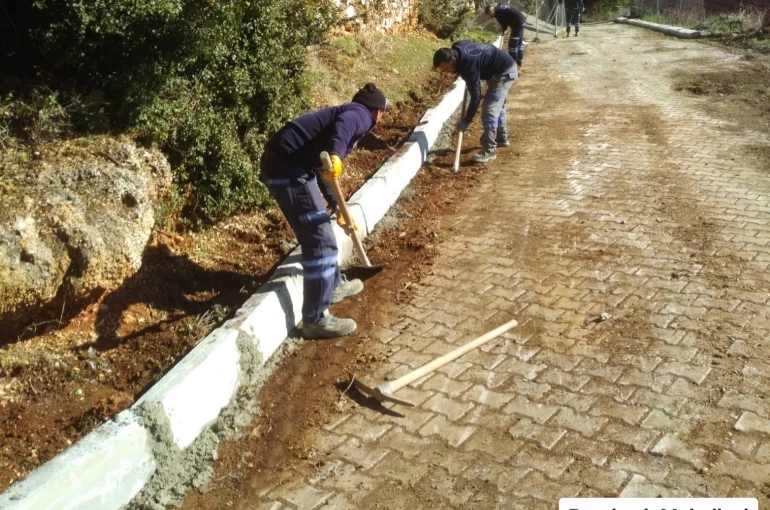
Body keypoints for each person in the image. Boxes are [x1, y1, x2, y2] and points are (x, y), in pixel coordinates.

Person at [259, 83, 388, 339]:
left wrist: (338, 207)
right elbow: (342, 132)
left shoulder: (346, 112)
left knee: (323, 236)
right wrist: (337, 154)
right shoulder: (360, 114)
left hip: (294, 167)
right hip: (287, 170)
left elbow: (323, 171)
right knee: (321, 242)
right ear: (378, 112)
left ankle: (333, 286)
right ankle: (315, 319)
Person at [433, 41, 517, 163]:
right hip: (499, 70)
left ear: (453, 59)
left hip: (504, 73)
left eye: (446, 68)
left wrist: (467, 120)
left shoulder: (468, 66)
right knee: (498, 105)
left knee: (489, 111)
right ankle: (500, 137)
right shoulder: (457, 46)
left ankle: (489, 149)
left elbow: (476, 97)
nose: (447, 72)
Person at [484, 3, 527, 70]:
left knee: (513, 44)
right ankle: (519, 61)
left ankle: (513, 63)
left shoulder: (500, 14)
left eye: (490, 14)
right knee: (518, 42)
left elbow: (504, 24)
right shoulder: (499, 6)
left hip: (518, 24)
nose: (490, 16)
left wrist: (503, 31)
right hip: (520, 20)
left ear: (492, 11)